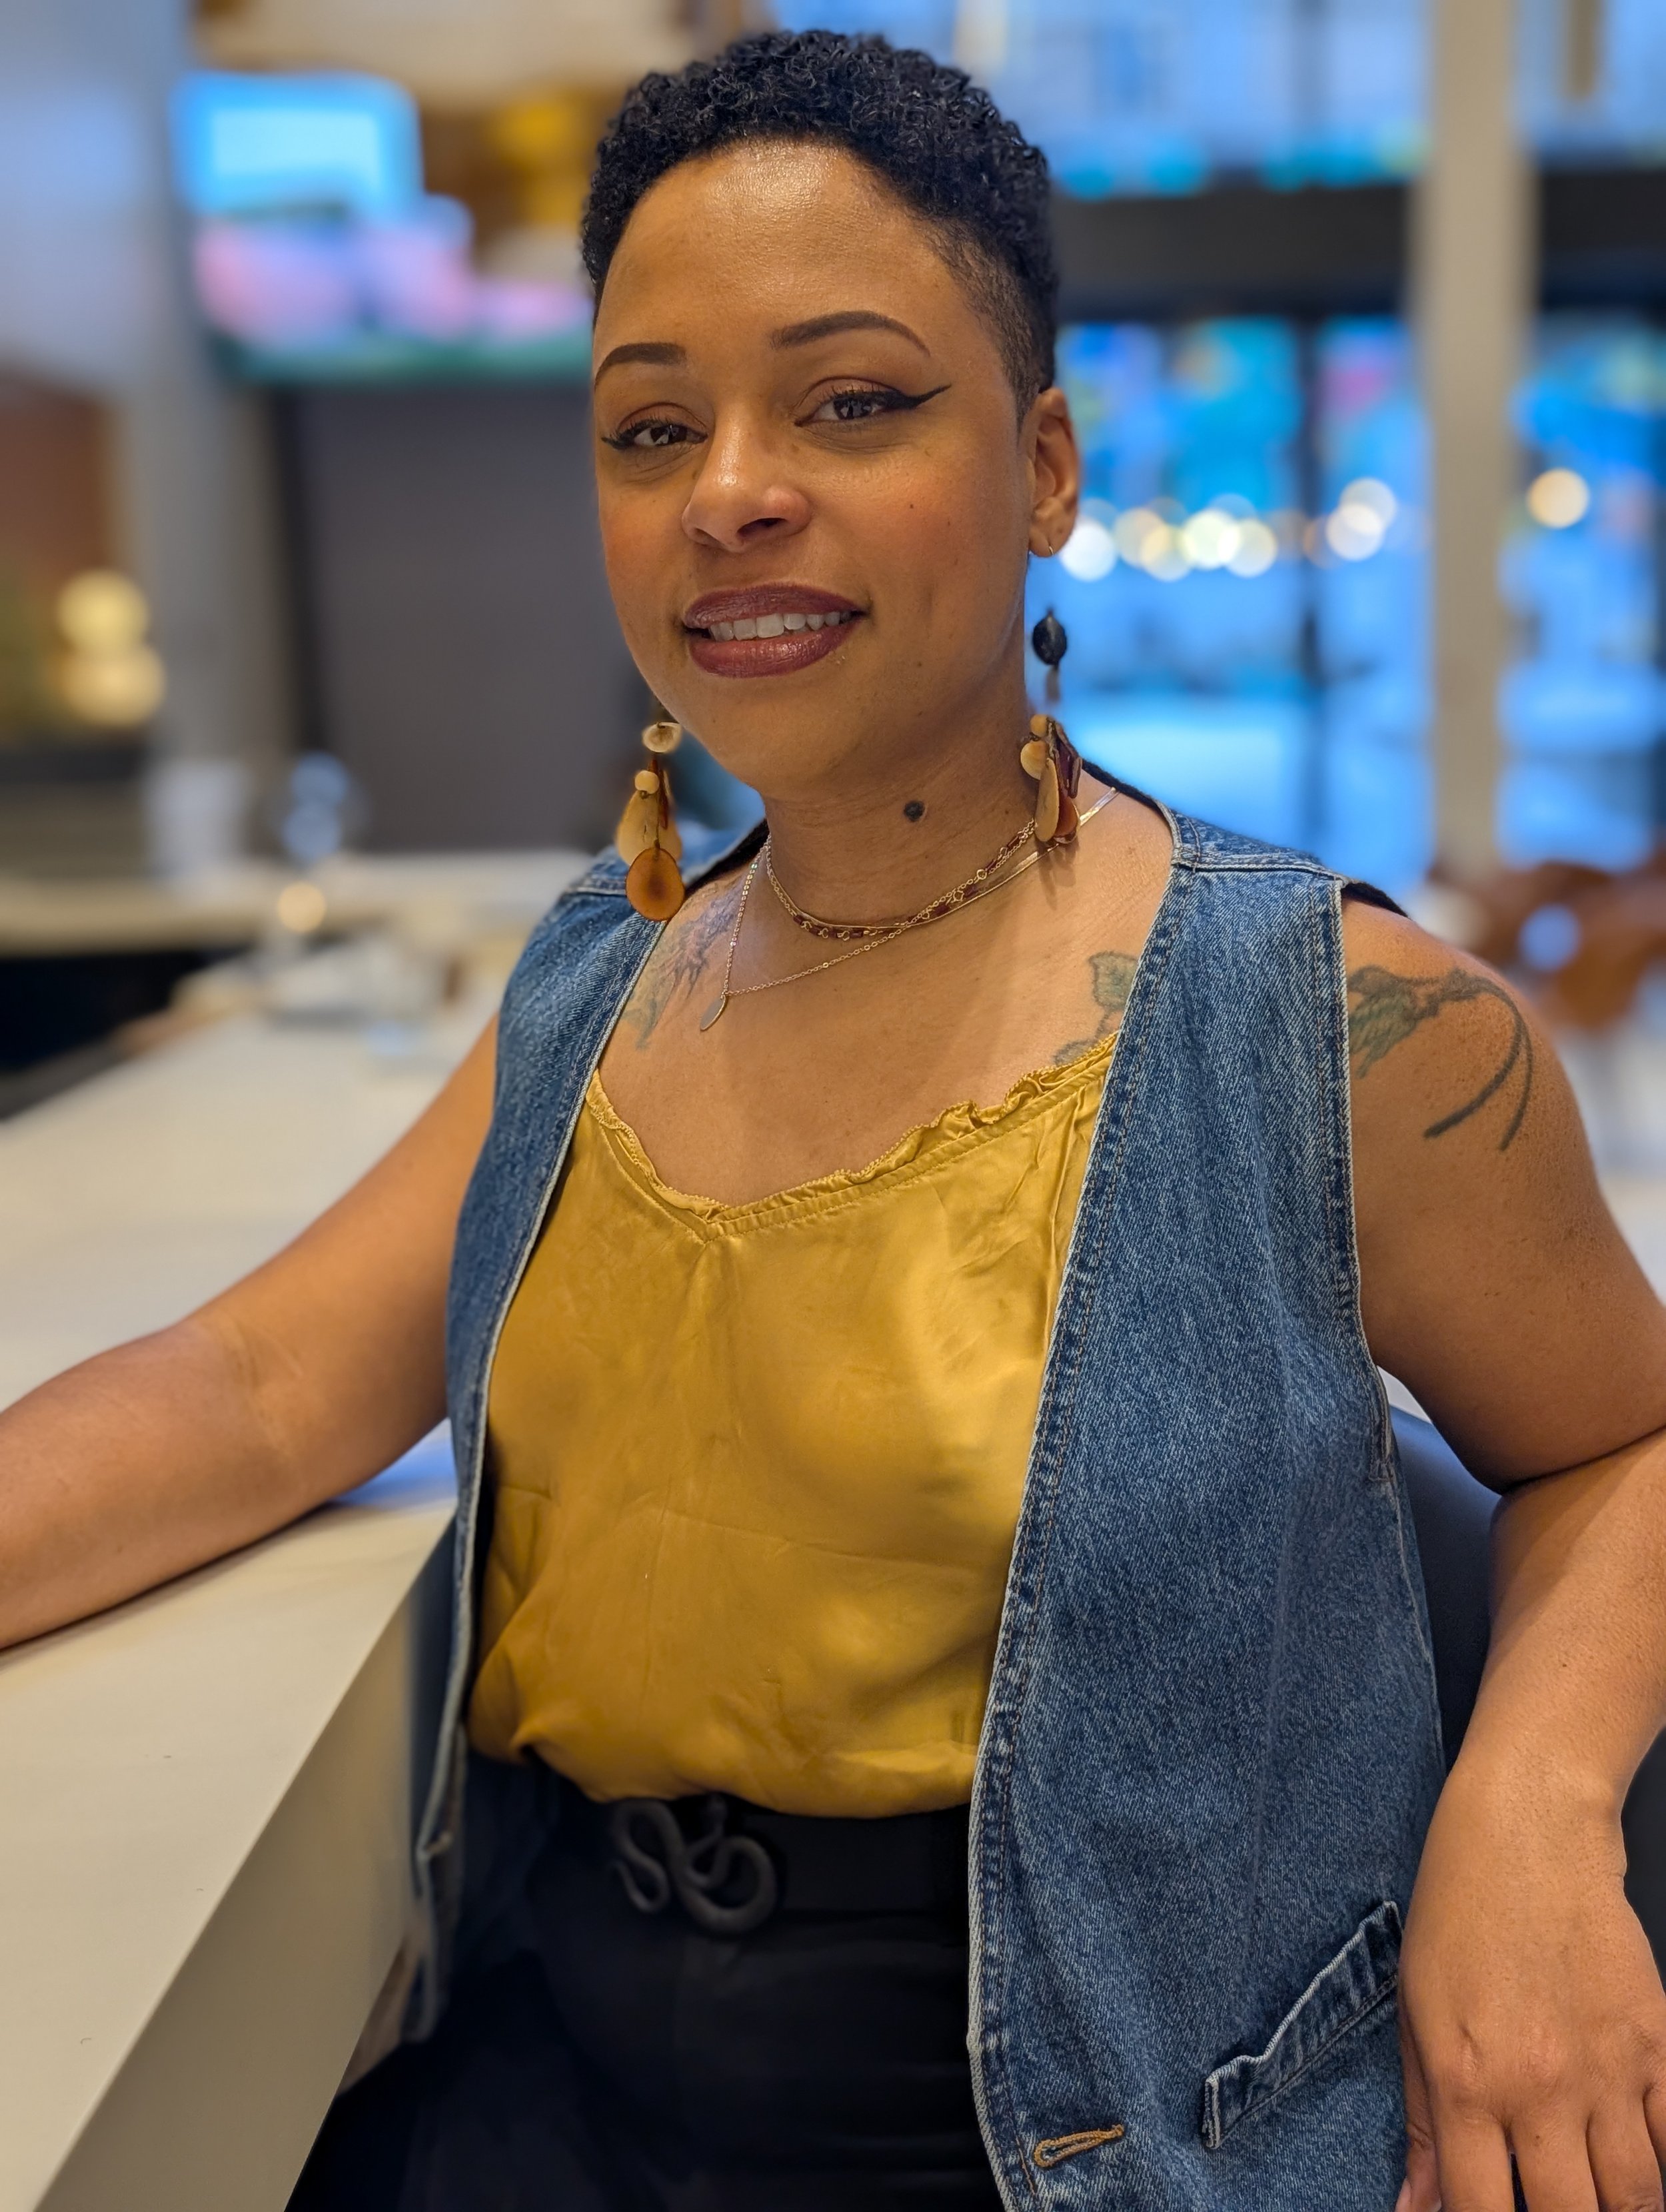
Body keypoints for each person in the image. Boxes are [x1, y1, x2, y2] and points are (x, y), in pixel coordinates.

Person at [5, 29, 1666, 2212]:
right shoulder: (598, 981)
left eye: (852, 402)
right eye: (650, 427)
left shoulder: (1333, 1021)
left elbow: (1619, 1443)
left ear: (1045, 463)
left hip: (1106, 2130)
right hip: (563, 2086)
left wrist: (1531, 1814)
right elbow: (253, 1385)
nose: (729, 492)